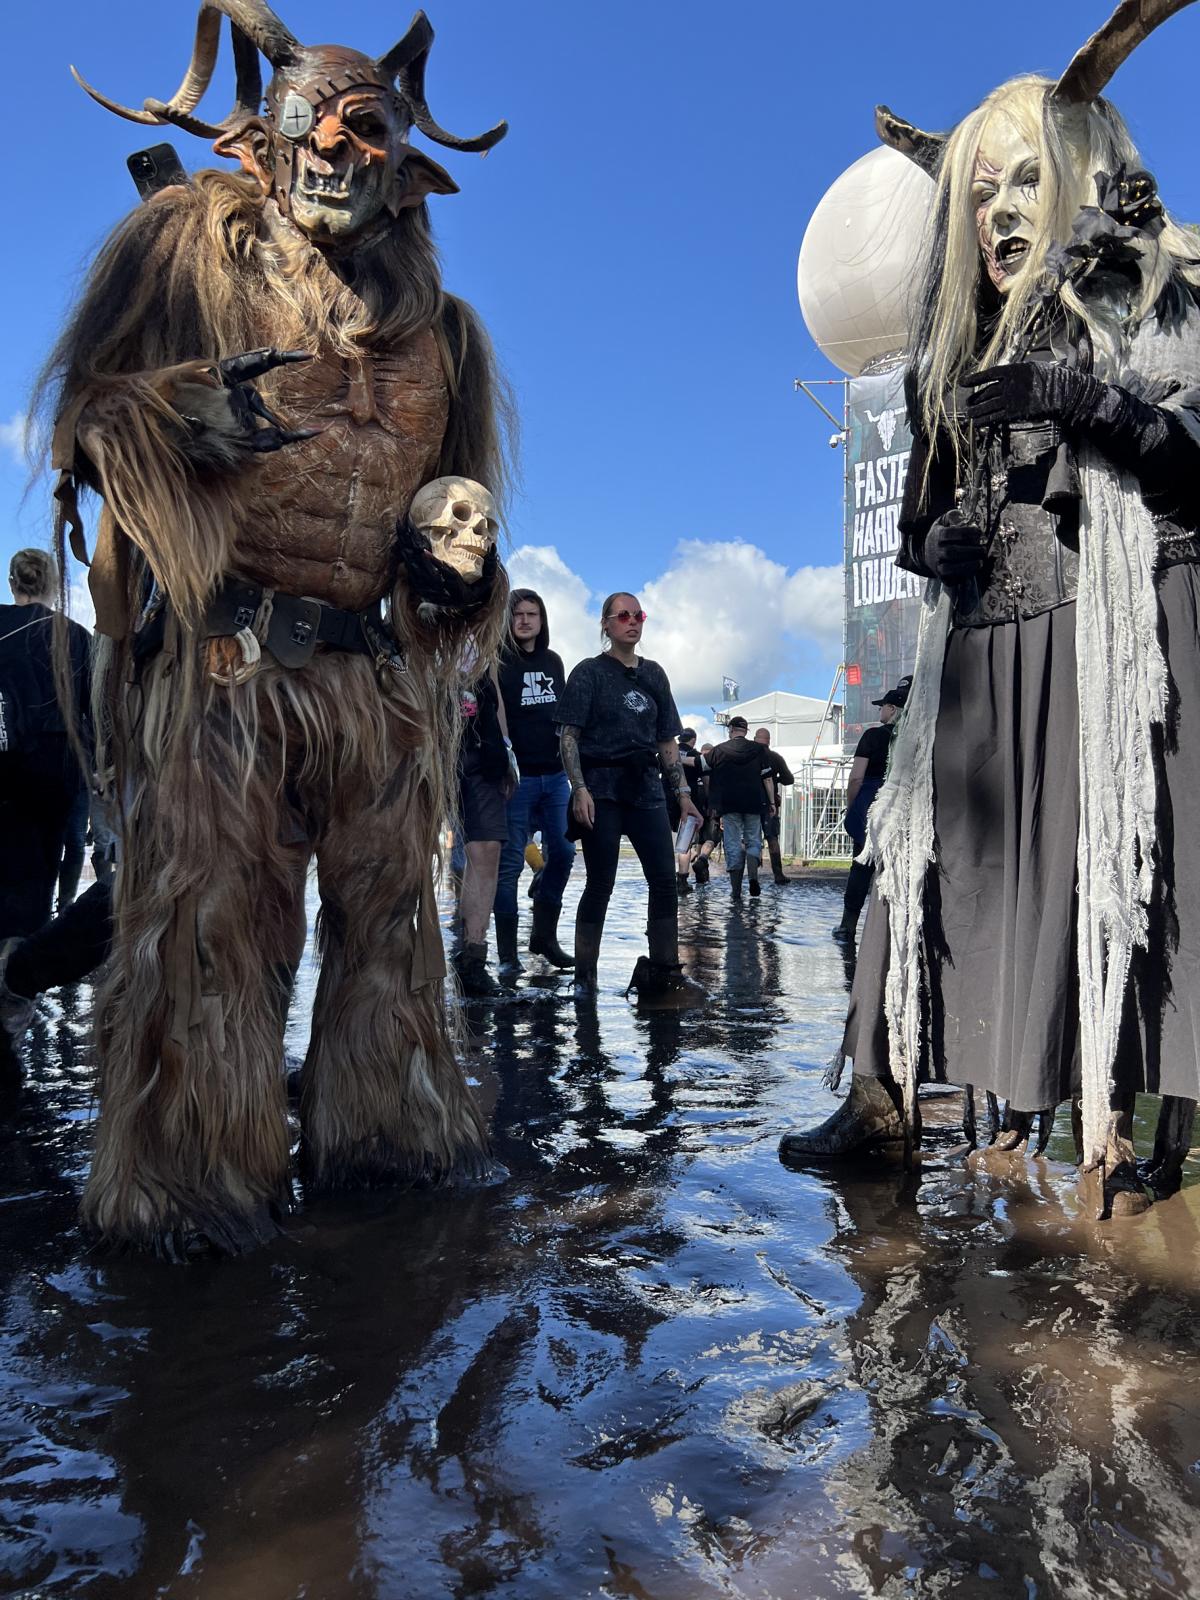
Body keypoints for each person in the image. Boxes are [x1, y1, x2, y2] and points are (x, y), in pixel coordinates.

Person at [782, 18, 1200, 1213]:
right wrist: (929, 543)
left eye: (1025, 181)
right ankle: (880, 1097)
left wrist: (1086, 400)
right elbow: (916, 517)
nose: (1001, 214)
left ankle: (1144, 1126)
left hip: (1108, 635)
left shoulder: (1153, 297)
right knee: (915, 872)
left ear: (1076, 177)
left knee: (1126, 876)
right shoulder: (947, 357)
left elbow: (1192, 465)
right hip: (976, 649)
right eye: (979, 193)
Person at [557, 593, 704, 1003]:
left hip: (645, 788)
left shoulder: (654, 674)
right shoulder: (588, 672)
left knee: (664, 880)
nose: (632, 621)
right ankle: (584, 978)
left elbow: (666, 741)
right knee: (600, 882)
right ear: (606, 624)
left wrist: (683, 793)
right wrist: (579, 788)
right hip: (600, 788)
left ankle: (664, 971)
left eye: (638, 615)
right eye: (623, 616)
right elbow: (569, 737)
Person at [0, 549, 91, 940]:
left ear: (12, 582)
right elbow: (94, 711)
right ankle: (20, 954)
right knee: (42, 867)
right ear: (54, 585)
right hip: (55, 769)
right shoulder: (76, 637)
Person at [494, 589, 575, 974]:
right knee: (510, 864)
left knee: (564, 852)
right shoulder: (497, 662)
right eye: (518, 614)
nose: (525, 620)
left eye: (532, 614)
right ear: (507, 620)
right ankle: (507, 956)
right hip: (518, 778)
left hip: (556, 775)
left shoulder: (553, 661)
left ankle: (544, 936)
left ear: (542, 621)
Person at [831, 678, 910, 943]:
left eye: (882, 706)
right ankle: (895, 932)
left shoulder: (873, 736)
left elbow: (856, 778)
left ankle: (847, 926)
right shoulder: (916, 737)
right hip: (905, 804)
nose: (880, 711)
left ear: (892, 709)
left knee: (861, 864)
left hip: (873, 804)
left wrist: (852, 807)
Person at [455, 664, 516, 999]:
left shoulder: (484, 641)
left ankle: (473, 959)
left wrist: (506, 748)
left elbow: (494, 693)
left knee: (488, 847)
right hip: (425, 733)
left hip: (482, 746)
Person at [707, 716, 775, 899]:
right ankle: (753, 871)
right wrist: (771, 802)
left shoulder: (719, 750)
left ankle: (736, 891)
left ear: (730, 730)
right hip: (754, 803)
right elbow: (768, 779)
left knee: (733, 844)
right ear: (746, 731)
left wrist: (677, 758)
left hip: (729, 804)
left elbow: (700, 764)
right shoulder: (759, 750)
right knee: (753, 840)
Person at [753, 727, 794, 886]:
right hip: (769, 804)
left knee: (749, 838)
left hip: (749, 802)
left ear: (755, 739)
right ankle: (778, 874)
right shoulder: (775, 757)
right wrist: (775, 779)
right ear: (769, 741)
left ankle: (751, 874)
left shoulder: (748, 755)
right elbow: (789, 779)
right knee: (772, 838)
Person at [673, 729, 707, 894]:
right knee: (684, 843)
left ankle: (665, 877)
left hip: (666, 799)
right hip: (689, 800)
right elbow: (706, 780)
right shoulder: (696, 756)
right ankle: (682, 880)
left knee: (666, 839)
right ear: (693, 740)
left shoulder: (668, 752)